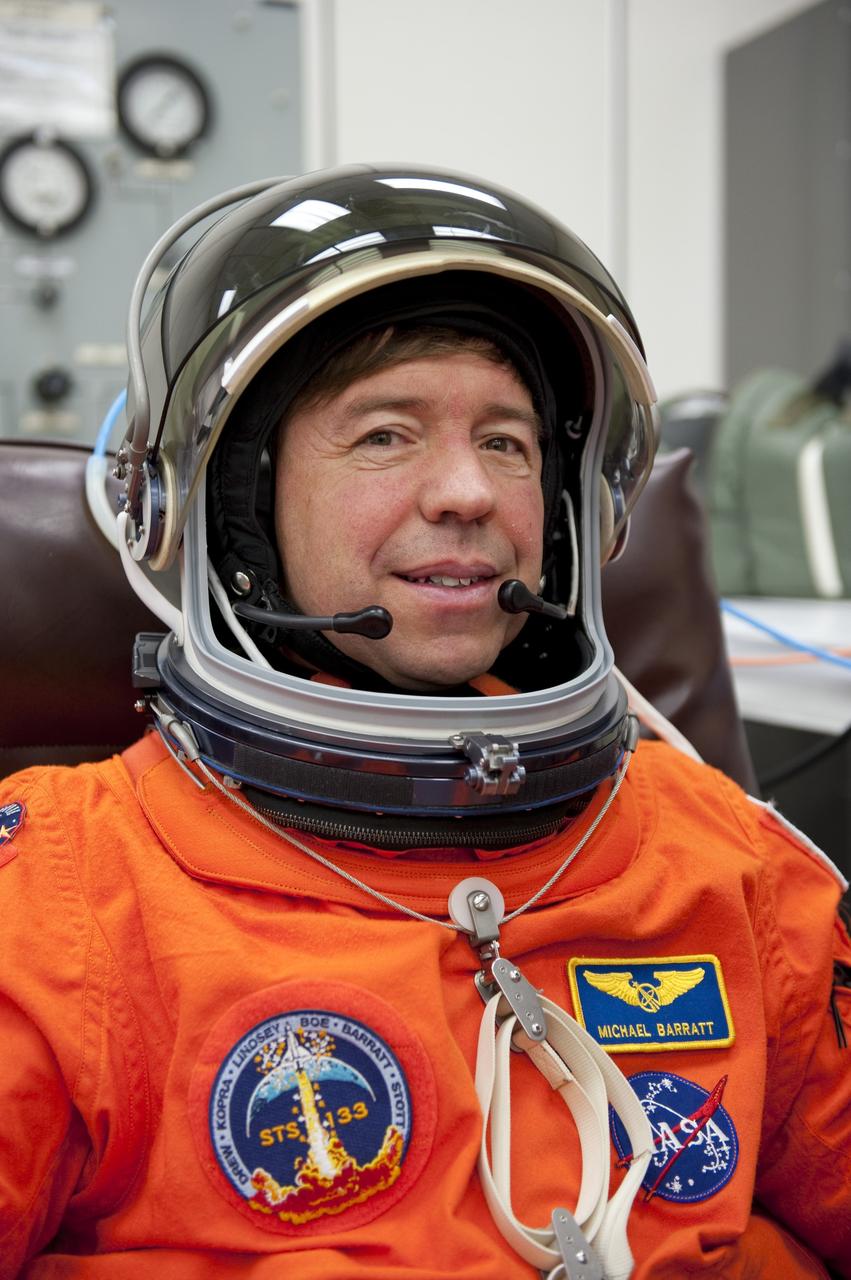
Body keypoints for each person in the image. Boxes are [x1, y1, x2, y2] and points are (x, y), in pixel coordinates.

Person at [1, 164, 849, 1280]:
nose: (467, 491)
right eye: (385, 435)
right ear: (234, 503)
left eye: (506, 441)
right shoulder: (61, 892)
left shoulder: (730, 863)